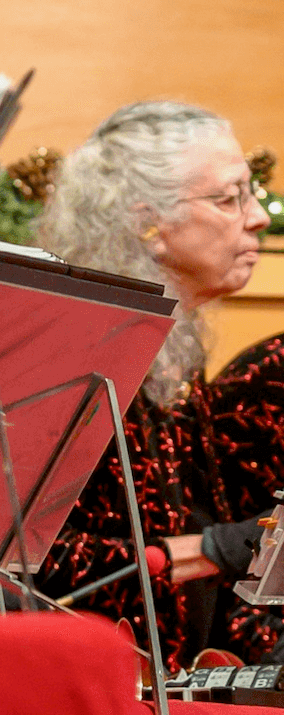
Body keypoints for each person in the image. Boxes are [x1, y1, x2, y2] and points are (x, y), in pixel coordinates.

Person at [37, 102, 278, 667]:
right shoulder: (71, 357)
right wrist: (202, 552)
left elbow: (218, 588)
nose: (259, 217)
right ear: (148, 224)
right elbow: (15, 564)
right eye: (230, 198)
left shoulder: (174, 350)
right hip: (81, 682)